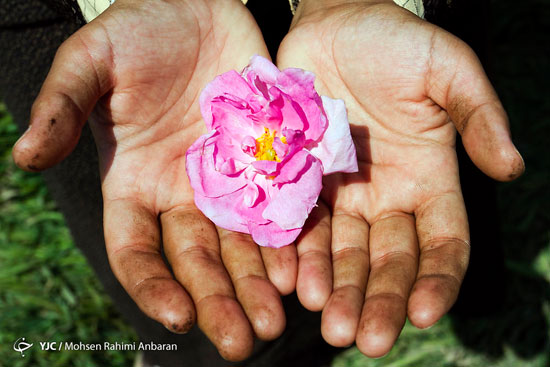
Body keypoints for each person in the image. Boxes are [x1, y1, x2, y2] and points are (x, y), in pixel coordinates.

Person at [3, 0, 524, 365]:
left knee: (413, 208)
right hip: (79, 26)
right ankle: (190, 359)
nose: (262, 154)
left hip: (366, 53)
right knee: (146, 226)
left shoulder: (332, 138)